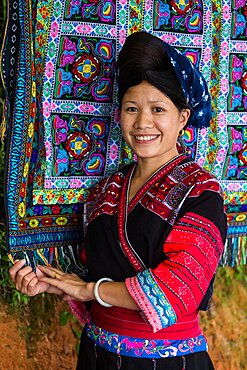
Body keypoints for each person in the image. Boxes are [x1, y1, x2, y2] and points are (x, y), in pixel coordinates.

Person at [9, 32, 227, 370]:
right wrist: (50, 283)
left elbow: (179, 290)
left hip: (169, 362)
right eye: (131, 109)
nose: (142, 123)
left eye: (158, 109)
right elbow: (93, 276)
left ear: (182, 118)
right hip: (97, 355)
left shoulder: (201, 193)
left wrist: (89, 291)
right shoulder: (107, 191)